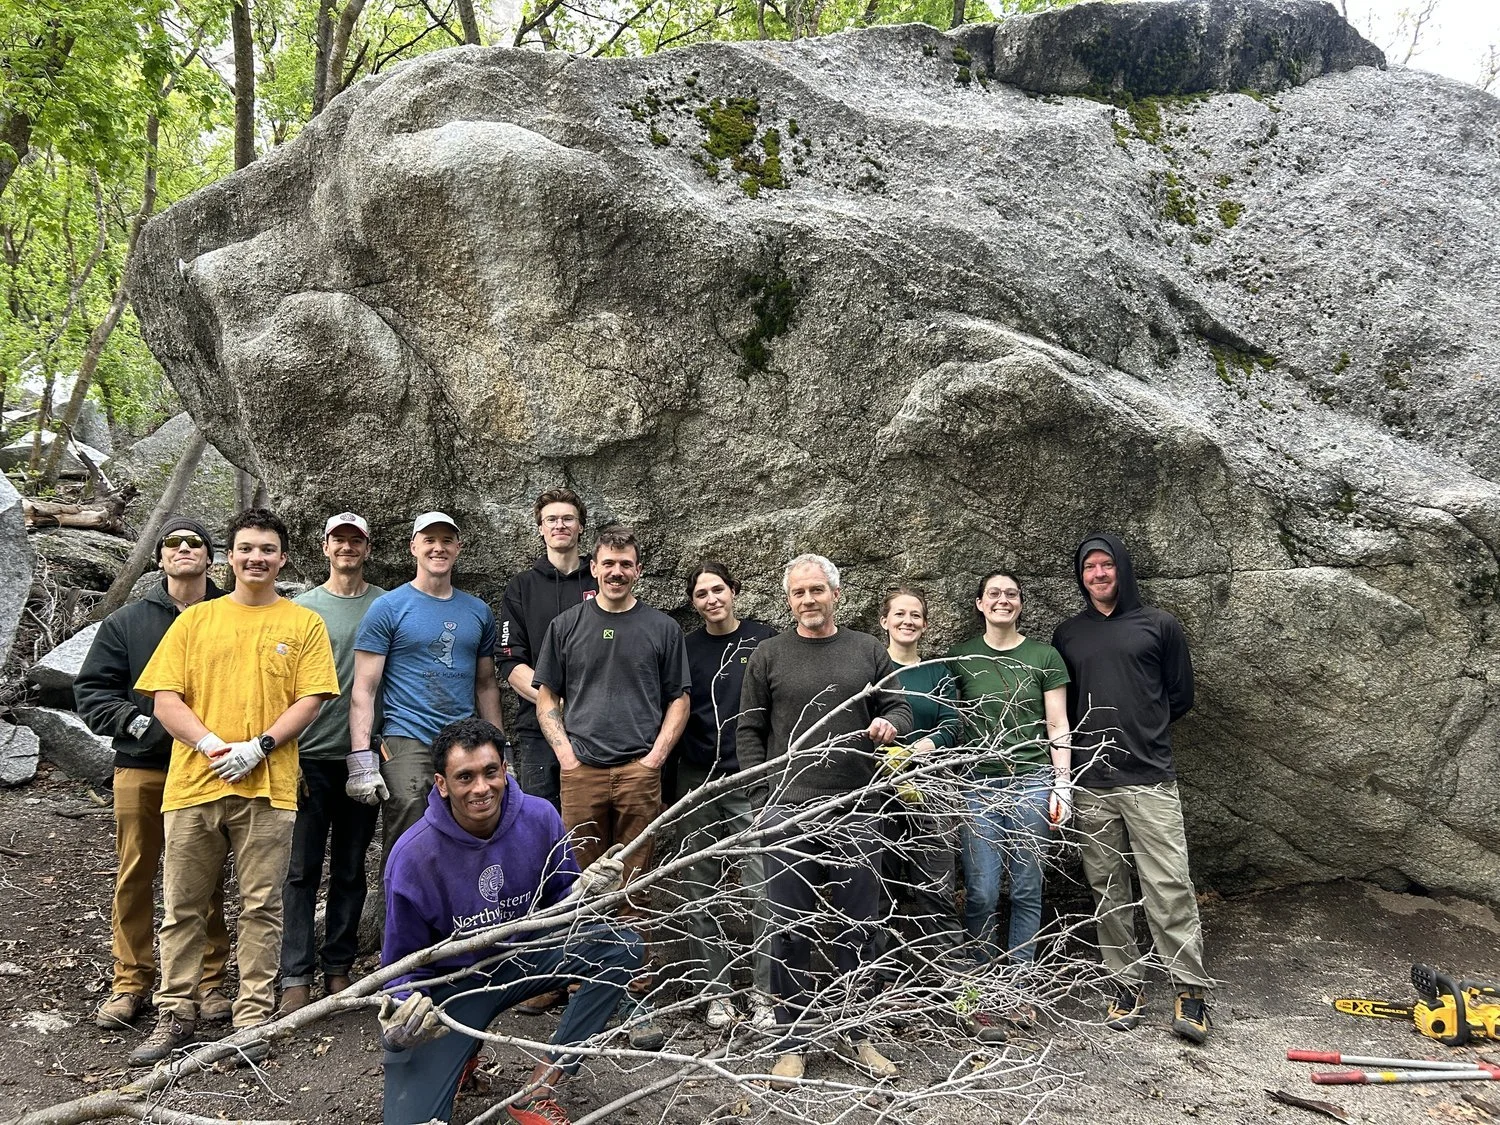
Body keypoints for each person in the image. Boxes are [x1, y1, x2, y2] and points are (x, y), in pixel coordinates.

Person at [128, 508, 339, 1065]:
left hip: (268, 788)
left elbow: (312, 698)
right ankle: (175, 1013)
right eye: (246, 548)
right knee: (183, 906)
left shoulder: (302, 624)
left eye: (267, 549)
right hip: (195, 784)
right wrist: (209, 744)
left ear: (284, 557)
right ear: (230, 556)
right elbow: (165, 697)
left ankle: (251, 1018)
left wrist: (260, 746)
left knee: (263, 907)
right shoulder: (196, 622)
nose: (256, 558)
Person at [379, 717, 640, 1125]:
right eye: (464, 777)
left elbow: (562, 908)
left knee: (618, 944)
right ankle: (458, 1053)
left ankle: (538, 1090)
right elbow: (401, 964)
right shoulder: (412, 857)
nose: (481, 788)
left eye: (490, 771)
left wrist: (591, 893)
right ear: (441, 784)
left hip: (524, 961)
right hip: (453, 990)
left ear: (505, 770)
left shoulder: (539, 817)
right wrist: (402, 1016)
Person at [736, 553, 913, 1086]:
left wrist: (888, 721)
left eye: (817, 591)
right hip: (789, 812)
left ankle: (858, 1034)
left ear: (836, 594)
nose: (808, 600)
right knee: (788, 928)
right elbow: (748, 731)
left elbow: (901, 707)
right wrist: (766, 795)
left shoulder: (867, 649)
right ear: (788, 599)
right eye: (798, 593)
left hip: (859, 808)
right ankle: (793, 1041)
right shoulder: (768, 654)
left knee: (859, 924)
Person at [532, 524, 689, 1047]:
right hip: (582, 772)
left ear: (637, 570)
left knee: (634, 881)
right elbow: (545, 695)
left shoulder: (662, 627)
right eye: (608, 563)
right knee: (578, 880)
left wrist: (654, 760)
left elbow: (678, 700)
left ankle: (632, 986)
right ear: (593, 569)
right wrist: (565, 756)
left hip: (639, 773)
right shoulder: (567, 625)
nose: (616, 571)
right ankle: (582, 982)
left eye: (626, 563)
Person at [1051, 533, 1212, 1044]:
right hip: (1092, 780)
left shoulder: (1159, 625)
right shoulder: (1068, 634)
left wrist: (1145, 731)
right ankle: (1125, 984)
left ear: (1122, 568)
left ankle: (1190, 992)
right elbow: (1062, 705)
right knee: (1108, 891)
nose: (1098, 574)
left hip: (1149, 778)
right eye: (1089, 567)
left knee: (1169, 887)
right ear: (1081, 576)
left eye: (1106, 565)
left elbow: (1179, 695)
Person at [74, 517, 234, 1031]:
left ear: (212, 558)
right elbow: (93, 691)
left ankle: (208, 983)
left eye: (195, 543)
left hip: (209, 770)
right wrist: (139, 723)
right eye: (173, 543)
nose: (184, 549)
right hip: (143, 768)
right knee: (136, 874)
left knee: (204, 878)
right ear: (160, 557)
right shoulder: (127, 623)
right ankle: (131, 981)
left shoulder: (231, 615)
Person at [947, 571, 1072, 1035]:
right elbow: (948, 722)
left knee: (1025, 889)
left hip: (1033, 782)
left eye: (1012, 594)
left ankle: (1019, 988)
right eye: (994, 594)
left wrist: (1063, 783)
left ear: (1021, 603)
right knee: (980, 890)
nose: (1003, 600)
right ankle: (978, 991)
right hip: (978, 785)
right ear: (979, 604)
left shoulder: (1045, 656)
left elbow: (1057, 723)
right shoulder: (959, 658)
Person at [278, 512, 387, 1014]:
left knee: (350, 866)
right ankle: (294, 973)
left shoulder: (386, 604)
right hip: (307, 755)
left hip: (362, 756)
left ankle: (339, 965)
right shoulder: (299, 609)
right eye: (338, 540)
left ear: (367, 548)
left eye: (355, 541)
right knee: (300, 869)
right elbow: (279, 685)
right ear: (324, 547)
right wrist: (285, 751)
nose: (347, 548)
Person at [351, 511, 505, 856]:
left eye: (447, 540)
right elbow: (364, 689)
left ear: (458, 548)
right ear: (414, 548)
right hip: (408, 736)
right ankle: (395, 908)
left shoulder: (478, 611)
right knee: (409, 832)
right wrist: (361, 760)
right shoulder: (388, 607)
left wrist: (498, 746)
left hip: (463, 738)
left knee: (468, 832)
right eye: (430, 540)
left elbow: (486, 685)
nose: (439, 548)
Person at [672, 561, 777, 1030]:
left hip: (751, 778)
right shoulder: (685, 647)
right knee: (700, 892)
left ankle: (765, 993)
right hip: (696, 781)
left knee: (765, 890)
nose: (711, 599)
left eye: (718, 589)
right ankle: (716, 993)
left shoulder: (764, 639)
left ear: (734, 591)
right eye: (701, 594)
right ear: (693, 602)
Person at [873, 587, 965, 972]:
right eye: (899, 614)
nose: (907, 621)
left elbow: (954, 722)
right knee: (879, 891)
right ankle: (879, 985)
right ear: (884, 621)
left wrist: (916, 750)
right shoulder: (872, 669)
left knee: (936, 890)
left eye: (915, 615)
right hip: (879, 788)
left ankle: (957, 988)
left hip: (932, 785)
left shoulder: (939, 672)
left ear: (925, 625)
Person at [498, 488, 597, 809]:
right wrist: (556, 702)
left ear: (581, 526)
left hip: (598, 728)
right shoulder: (521, 587)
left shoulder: (602, 581)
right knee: (541, 822)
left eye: (568, 518)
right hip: (538, 730)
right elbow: (510, 663)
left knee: (592, 823)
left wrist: (582, 704)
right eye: (551, 519)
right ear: (540, 528)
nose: (560, 525)